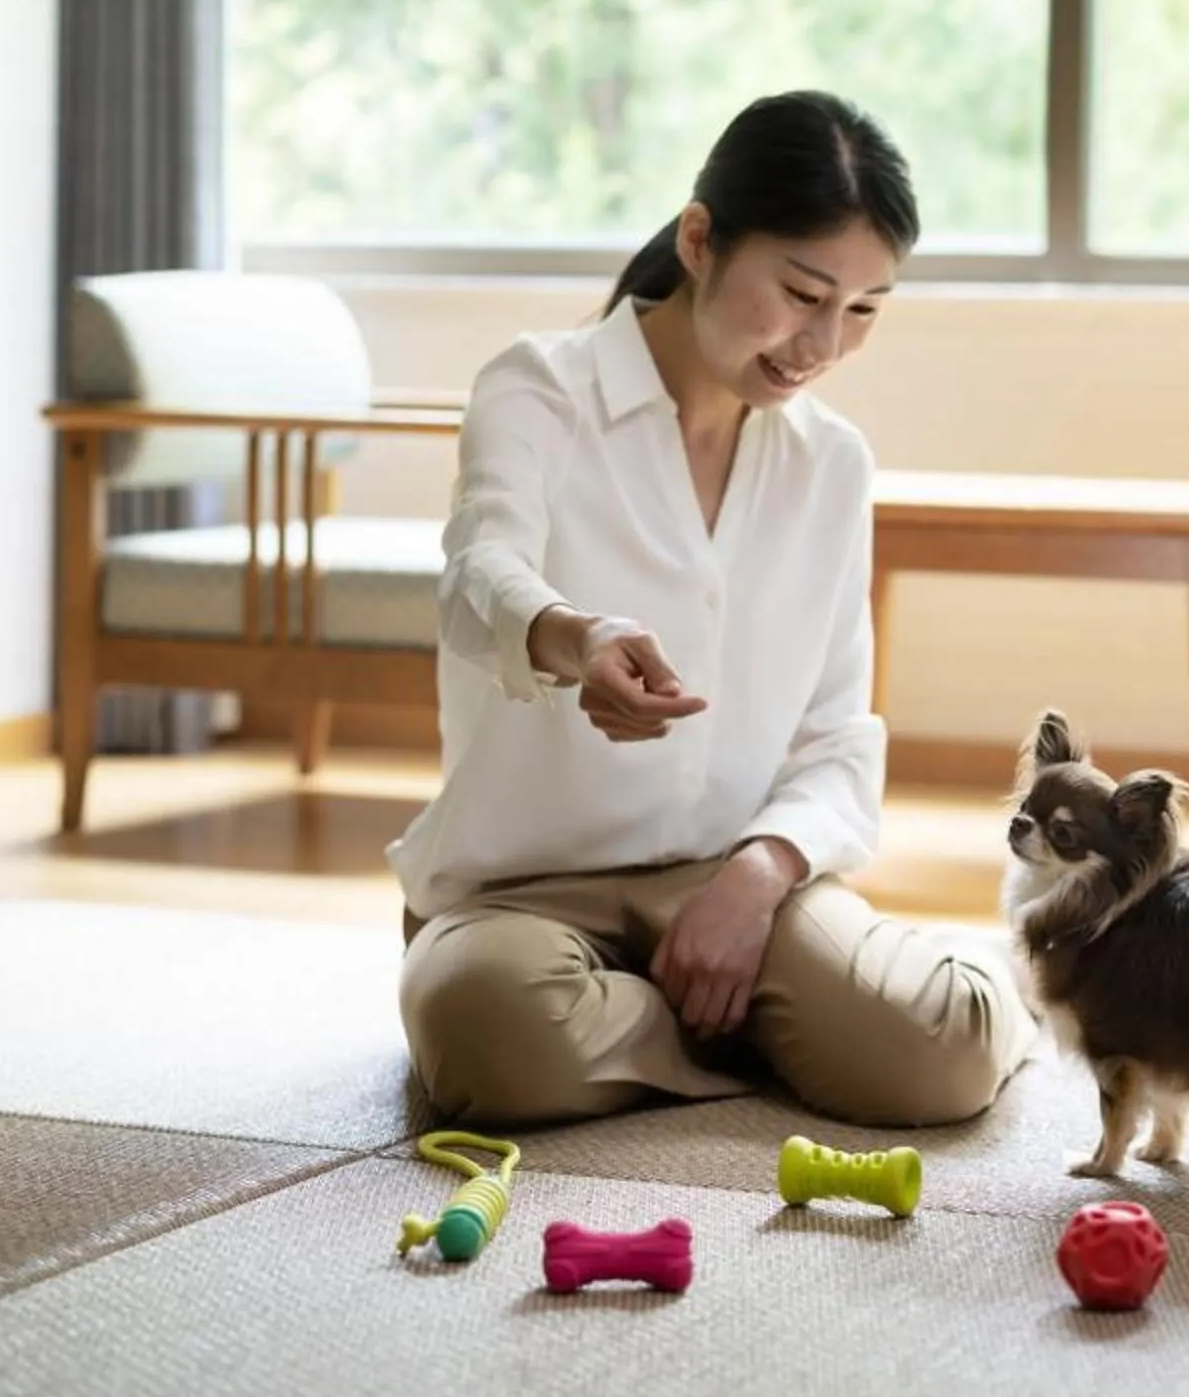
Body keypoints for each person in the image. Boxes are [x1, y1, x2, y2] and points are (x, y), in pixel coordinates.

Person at [391, 90, 1035, 1128]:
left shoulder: (830, 463)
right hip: (522, 892)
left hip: (741, 884)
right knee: (489, 1033)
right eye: (800, 292)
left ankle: (712, 1016)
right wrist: (572, 635)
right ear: (700, 239)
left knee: (943, 1053)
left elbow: (836, 736)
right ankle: (748, 1036)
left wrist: (761, 872)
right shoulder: (537, 388)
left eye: (863, 309)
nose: (822, 341)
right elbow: (478, 574)